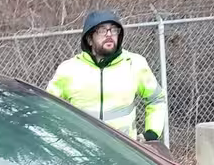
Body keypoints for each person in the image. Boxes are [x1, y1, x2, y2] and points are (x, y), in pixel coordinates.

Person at [46, 10, 167, 143]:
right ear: (89, 39)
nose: (109, 34)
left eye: (114, 30)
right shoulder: (69, 69)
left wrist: (152, 132)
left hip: (124, 151)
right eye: (102, 30)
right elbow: (48, 107)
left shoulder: (134, 63)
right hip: (82, 154)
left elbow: (156, 99)